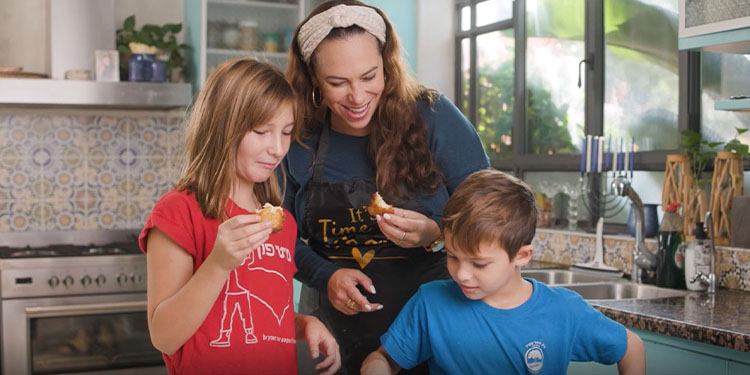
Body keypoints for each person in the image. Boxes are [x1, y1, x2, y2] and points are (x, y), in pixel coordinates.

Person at [283, 1, 490, 373]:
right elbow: (276, 233)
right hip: (331, 334)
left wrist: (437, 231)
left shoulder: (434, 116)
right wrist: (325, 275)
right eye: (337, 83)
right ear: (314, 78)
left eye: (368, 76)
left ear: (387, 65)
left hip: (436, 324)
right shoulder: (296, 136)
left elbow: (490, 210)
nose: (357, 97)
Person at [139, 57, 340, 375]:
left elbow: (260, 313)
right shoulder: (179, 212)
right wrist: (218, 264)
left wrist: (302, 324)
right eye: (261, 131)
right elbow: (164, 336)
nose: (277, 148)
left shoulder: (281, 223)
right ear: (222, 128)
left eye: (286, 132)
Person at [360, 170, 646, 375]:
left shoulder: (563, 311)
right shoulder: (430, 303)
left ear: (521, 256)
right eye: (453, 256)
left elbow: (630, 346)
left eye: (479, 264)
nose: (462, 274)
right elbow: (384, 359)